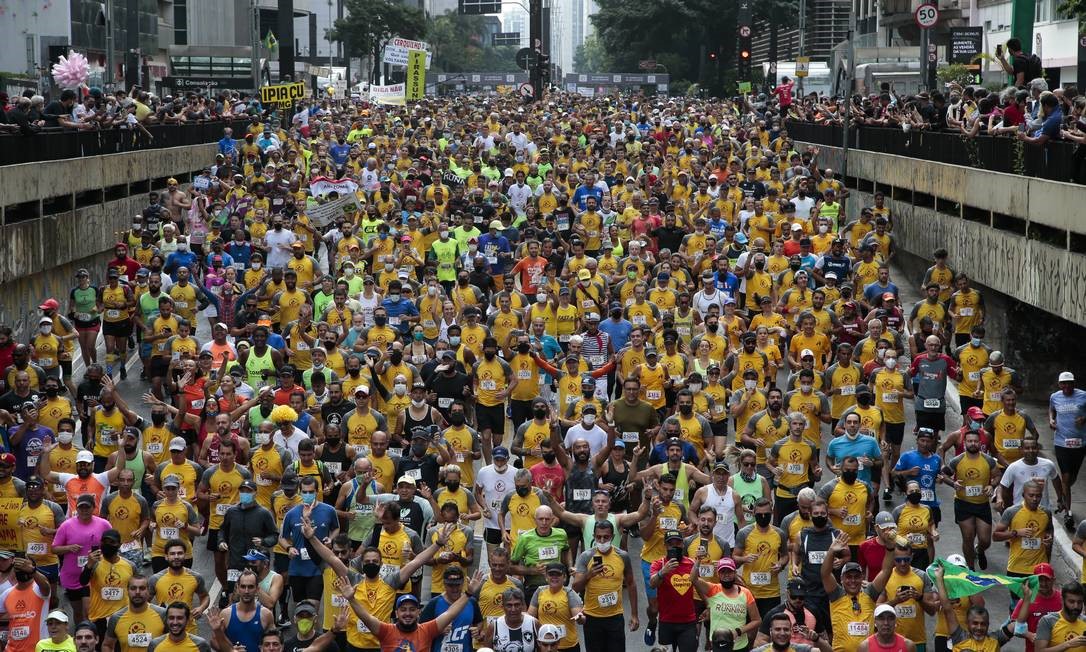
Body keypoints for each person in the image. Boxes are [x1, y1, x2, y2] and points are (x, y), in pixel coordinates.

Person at [335, 570, 484, 652]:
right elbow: (366, 617)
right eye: (403, 610)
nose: (408, 613)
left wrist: (468, 594)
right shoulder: (386, 631)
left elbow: (450, 613)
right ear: (397, 613)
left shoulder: (427, 630)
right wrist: (352, 600)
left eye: (412, 609)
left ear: (419, 613)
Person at [572, 520, 639, 652]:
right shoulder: (586, 556)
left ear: (613, 537)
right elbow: (575, 588)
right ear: (594, 536)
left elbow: (631, 584)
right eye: (598, 537)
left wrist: (635, 614)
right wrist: (588, 575)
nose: (602, 540)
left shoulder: (623, 556)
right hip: (592, 617)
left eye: (606, 537)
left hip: (615, 617)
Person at [1049, 371, 1086, 530]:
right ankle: (1068, 513)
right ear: (1059, 385)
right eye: (1063, 384)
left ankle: (1064, 494)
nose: (1066, 386)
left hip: (1080, 443)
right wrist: (1051, 419)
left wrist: (1084, 418)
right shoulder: (1055, 397)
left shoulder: (1083, 395)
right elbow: (1051, 410)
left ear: (1074, 383)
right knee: (1066, 476)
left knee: (1071, 479)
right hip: (1061, 442)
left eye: (1069, 383)